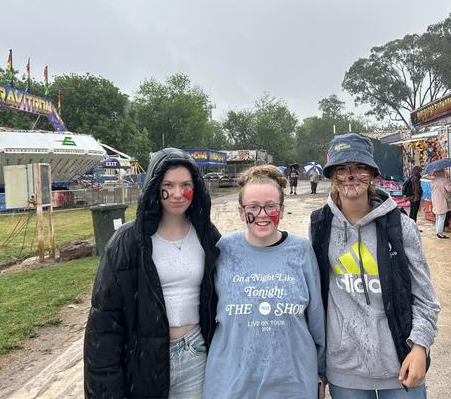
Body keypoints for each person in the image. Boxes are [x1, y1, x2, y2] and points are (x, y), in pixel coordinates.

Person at [310, 133, 440, 399]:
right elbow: (316, 299)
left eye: (359, 167)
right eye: (342, 168)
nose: (351, 175)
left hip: (400, 364)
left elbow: (425, 298)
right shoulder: (320, 226)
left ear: (372, 173)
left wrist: (420, 347)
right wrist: (318, 368)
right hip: (345, 370)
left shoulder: (401, 226)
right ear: (332, 175)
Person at [84, 148, 221, 399]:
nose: (178, 193)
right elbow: (105, 321)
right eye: (168, 185)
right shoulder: (127, 242)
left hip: (195, 353)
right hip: (142, 360)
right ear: (155, 188)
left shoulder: (207, 236)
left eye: (185, 185)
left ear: (196, 188)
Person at [204, 165, 325, 398]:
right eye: (253, 207)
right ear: (241, 212)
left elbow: (317, 320)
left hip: (292, 385)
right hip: (231, 385)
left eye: (271, 206)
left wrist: (321, 372)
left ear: (281, 209)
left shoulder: (301, 251)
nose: (262, 214)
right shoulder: (223, 250)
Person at [429, 169, 451, 239]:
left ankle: (438, 232)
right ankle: (439, 233)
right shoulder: (444, 180)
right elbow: (449, 189)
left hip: (435, 201)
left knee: (437, 217)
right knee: (442, 218)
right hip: (442, 201)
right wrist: (449, 181)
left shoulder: (433, 181)